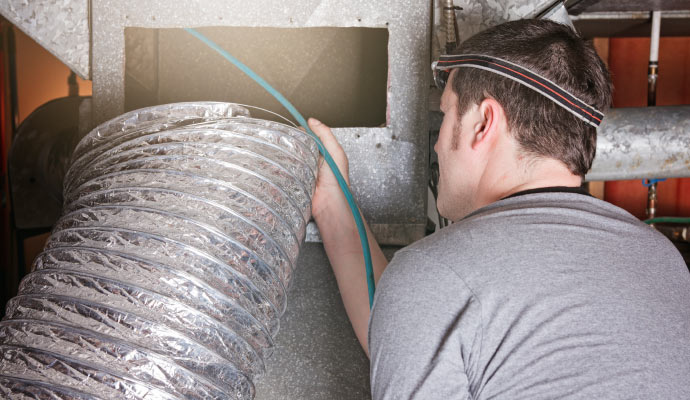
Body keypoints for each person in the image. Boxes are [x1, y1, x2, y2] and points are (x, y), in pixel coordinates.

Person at [307, 19, 690, 399]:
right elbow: (418, 343)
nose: (438, 146)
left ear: (483, 123)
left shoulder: (437, 278)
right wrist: (331, 202)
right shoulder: (662, 261)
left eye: (446, 114)